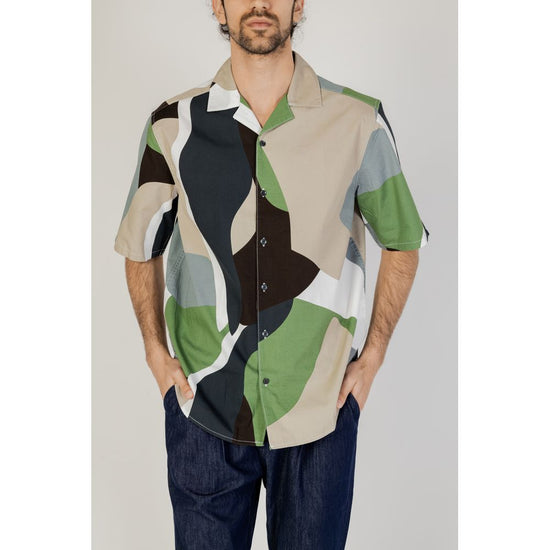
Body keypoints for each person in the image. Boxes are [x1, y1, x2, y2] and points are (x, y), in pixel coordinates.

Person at [114, 1, 429, 548]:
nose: (258, 3)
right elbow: (140, 246)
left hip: (320, 412)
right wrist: (155, 353)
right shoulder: (172, 125)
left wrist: (373, 355)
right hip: (203, 411)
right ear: (218, 5)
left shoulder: (358, 121)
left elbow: (403, 240)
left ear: (298, 4)